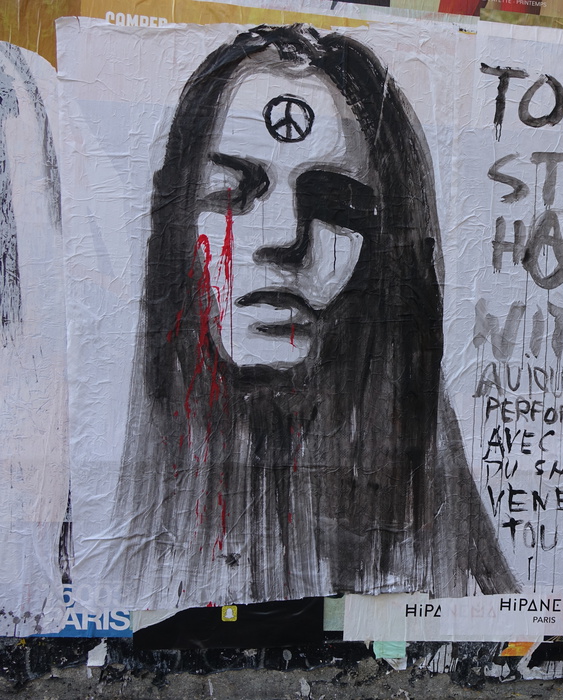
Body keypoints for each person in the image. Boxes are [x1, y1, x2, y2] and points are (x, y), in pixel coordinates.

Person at [112, 24, 518, 606]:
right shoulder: (103, 546)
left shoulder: (451, 581)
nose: (283, 237)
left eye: (334, 202)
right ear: (175, 233)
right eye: (229, 195)